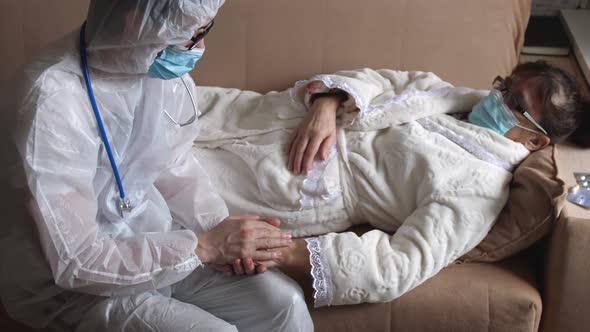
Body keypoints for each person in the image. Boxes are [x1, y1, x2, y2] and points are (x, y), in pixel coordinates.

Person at [0, 0, 314, 331]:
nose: (201, 47)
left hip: (157, 242)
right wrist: (206, 246)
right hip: (76, 288)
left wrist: (226, 236)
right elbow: (76, 262)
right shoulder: (51, 100)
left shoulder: (156, 71)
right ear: (136, 24)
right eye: (194, 35)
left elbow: (175, 167)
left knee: (283, 304)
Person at [194, 61, 589, 307]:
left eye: (515, 105)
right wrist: (328, 104)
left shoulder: (477, 190)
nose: (496, 97)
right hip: (273, 118)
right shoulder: (445, 93)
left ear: (537, 141)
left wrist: (280, 250)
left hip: (293, 179)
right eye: (505, 86)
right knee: (154, 112)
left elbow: (398, 266)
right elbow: (375, 80)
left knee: (160, 187)